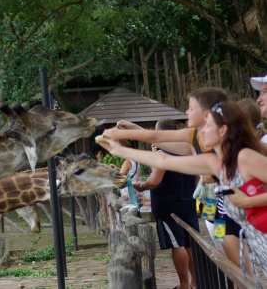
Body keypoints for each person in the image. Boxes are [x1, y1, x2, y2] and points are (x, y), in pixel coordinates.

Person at [97, 101, 267, 287]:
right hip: (221, 219)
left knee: (246, 275)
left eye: (206, 126)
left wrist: (247, 200)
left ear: (224, 130)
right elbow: (163, 158)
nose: (199, 131)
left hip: (255, 227)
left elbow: (167, 148)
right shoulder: (214, 159)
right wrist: (120, 148)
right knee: (238, 274)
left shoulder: (246, 156)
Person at [134, 118, 199, 289]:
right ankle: (195, 282)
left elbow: (154, 181)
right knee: (189, 244)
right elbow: (197, 177)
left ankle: (184, 284)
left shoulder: (163, 154)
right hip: (188, 202)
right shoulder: (188, 151)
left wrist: (141, 186)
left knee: (177, 245)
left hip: (168, 206)